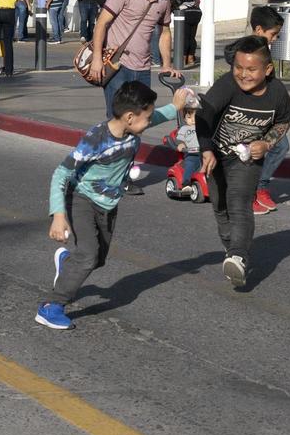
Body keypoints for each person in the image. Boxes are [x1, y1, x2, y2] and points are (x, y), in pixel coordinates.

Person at [36, 80, 194, 330]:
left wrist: (175, 106)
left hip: (108, 204)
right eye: (147, 116)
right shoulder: (96, 139)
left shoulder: (133, 127)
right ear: (130, 117)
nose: (150, 121)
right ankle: (52, 306)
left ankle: (68, 265)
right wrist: (58, 214)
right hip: (81, 199)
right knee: (88, 257)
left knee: (97, 259)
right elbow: (61, 173)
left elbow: (157, 116)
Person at [196, 36, 290, 289]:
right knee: (219, 205)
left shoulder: (277, 92)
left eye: (251, 69)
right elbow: (204, 113)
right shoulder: (227, 85)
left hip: (246, 159)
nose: (243, 74)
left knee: (239, 201)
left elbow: (283, 120)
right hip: (216, 155)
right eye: (238, 67)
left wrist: (267, 143)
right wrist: (206, 150)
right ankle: (232, 248)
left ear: (268, 70)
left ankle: (238, 255)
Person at [87, 0, 177, 117]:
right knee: (117, 118)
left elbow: (165, 32)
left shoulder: (164, 0)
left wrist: (166, 64)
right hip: (117, 66)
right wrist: (97, 59)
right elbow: (101, 23)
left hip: (143, 69)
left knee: (140, 118)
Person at [222, 5, 290, 215]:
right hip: (246, 115)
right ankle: (249, 192)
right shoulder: (246, 53)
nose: (275, 39)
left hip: (263, 112)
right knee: (263, 148)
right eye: (273, 34)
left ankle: (259, 187)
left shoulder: (262, 51)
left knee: (281, 145)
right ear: (259, 30)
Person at [172, 0, 202, 67]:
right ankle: (191, 58)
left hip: (186, 14)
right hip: (197, 13)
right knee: (192, 37)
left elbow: (178, 1)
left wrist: (172, 7)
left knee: (184, 37)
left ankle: (183, 58)